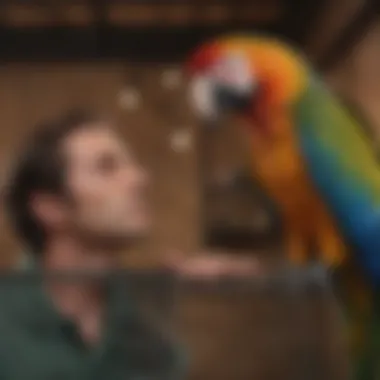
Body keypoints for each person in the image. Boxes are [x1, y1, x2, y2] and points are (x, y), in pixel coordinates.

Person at [0, 109, 258, 380]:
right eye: (106, 167)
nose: (139, 179)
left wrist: (211, 307)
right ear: (51, 207)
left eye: (131, 165)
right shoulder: (7, 318)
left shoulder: (148, 330)